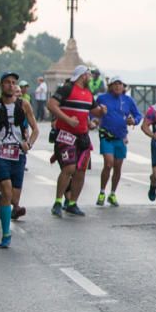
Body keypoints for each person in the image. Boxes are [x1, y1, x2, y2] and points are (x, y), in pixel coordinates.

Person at [48, 66, 105, 217]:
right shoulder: (66, 89)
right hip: (66, 134)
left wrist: (102, 112)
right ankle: (58, 202)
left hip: (83, 136)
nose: (91, 78)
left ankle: (73, 203)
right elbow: (51, 105)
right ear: (83, 76)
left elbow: (94, 111)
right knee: (69, 168)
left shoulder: (88, 93)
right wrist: (66, 119)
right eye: (89, 75)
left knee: (81, 170)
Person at [0, 72, 38, 247]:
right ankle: (6, 234)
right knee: (6, 189)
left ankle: (1, 198)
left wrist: (29, 143)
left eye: (14, 83)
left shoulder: (24, 104)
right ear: (1, 86)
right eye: (7, 82)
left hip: (18, 153)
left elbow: (35, 129)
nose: (11, 85)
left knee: (13, 198)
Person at [93, 76, 142, 207]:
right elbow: (92, 112)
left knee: (118, 167)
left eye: (120, 84)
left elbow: (138, 115)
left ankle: (112, 193)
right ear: (110, 86)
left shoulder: (128, 100)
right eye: (115, 84)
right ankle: (102, 192)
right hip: (106, 136)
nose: (118, 86)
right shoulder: (102, 98)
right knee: (108, 164)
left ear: (124, 87)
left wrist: (134, 121)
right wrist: (95, 119)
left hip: (120, 137)